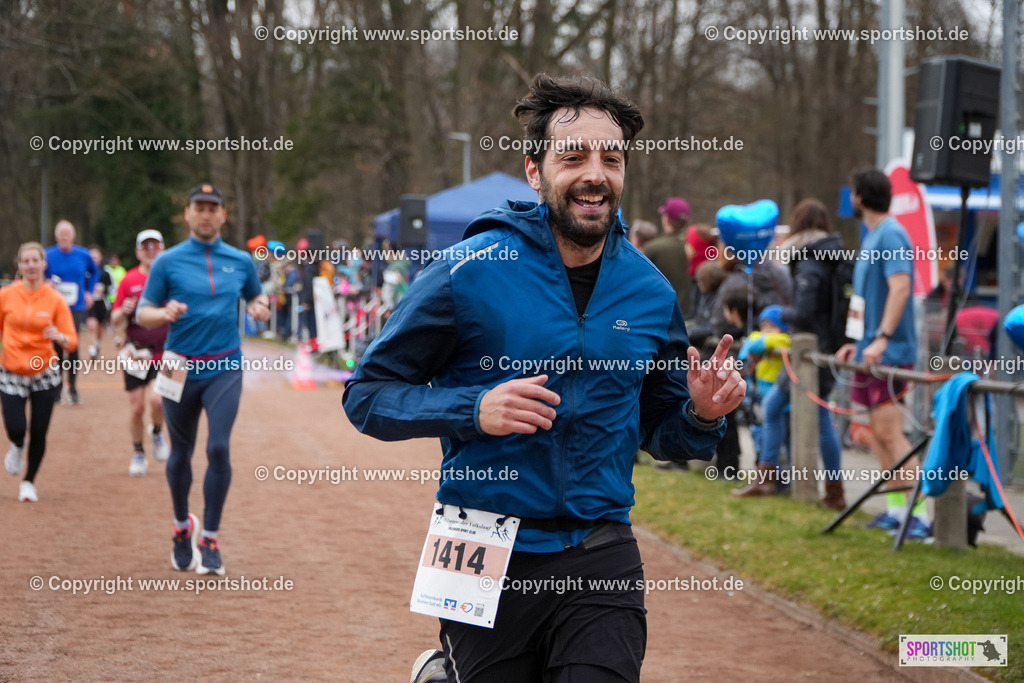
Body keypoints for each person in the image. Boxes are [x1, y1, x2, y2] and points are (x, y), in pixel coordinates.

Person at [344, 73, 745, 683]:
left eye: (612, 159)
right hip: (480, 541)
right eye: (573, 156)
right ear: (535, 171)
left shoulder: (649, 290)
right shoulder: (467, 272)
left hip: (601, 549)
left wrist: (700, 416)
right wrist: (473, 409)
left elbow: (664, 434)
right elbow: (366, 395)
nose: (595, 173)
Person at [138, 183, 271, 575]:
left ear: (223, 215)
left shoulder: (240, 260)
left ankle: (210, 536)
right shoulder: (168, 262)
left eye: (213, 208)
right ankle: (182, 527)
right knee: (180, 452)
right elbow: (144, 312)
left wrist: (260, 307)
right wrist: (163, 314)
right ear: (188, 213)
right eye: (199, 207)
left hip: (225, 366)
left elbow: (255, 296)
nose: (206, 214)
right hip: (179, 365)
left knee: (218, 448)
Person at [735, 199, 848, 507]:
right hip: (824, 348)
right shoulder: (832, 254)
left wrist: (779, 313)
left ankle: (771, 481)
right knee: (803, 413)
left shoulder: (810, 260)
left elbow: (806, 311)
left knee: (793, 412)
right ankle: (828, 490)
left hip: (810, 352)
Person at [835, 168, 927, 538]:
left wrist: (883, 337)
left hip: (890, 353)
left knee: (891, 433)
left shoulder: (892, 233)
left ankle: (921, 517)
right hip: (870, 352)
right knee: (877, 432)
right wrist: (855, 342)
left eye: (852, 191)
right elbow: (864, 302)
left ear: (860, 196)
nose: (850, 197)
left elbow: (901, 287)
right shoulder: (873, 236)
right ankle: (896, 509)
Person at [2, 242, 78, 502]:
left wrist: (60, 337)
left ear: (44, 264)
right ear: (20, 265)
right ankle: (17, 445)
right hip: (12, 369)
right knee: (15, 427)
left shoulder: (55, 299)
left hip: (44, 370)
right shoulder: (7, 295)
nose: (32, 265)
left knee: (39, 430)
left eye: (36, 260)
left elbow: (72, 340)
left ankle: (28, 482)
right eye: (26, 261)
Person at [111, 230, 171, 476]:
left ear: (162, 249)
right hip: (136, 352)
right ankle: (138, 452)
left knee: (159, 400)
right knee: (137, 408)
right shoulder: (128, 280)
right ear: (137, 252)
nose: (150, 251)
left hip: (169, 352)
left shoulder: (172, 277)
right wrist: (122, 311)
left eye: (154, 246)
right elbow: (114, 318)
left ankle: (156, 433)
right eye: (144, 247)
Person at [45, 220, 99, 405]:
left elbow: (95, 272)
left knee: (72, 345)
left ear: (73, 236)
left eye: (68, 234)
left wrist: (89, 291)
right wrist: (46, 283)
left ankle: (73, 388)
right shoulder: (48, 255)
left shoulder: (83, 254)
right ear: (57, 236)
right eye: (62, 234)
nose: (65, 237)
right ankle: (57, 388)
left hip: (76, 307)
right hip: (54, 308)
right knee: (56, 347)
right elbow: (39, 275)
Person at [644, 197, 692, 315]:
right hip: (694, 316)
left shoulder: (653, 248)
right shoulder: (697, 246)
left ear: (667, 219)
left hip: (663, 315)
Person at [85, 245, 113, 360]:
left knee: (99, 327)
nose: (94, 259)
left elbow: (112, 287)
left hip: (101, 303)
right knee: (92, 325)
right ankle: (92, 347)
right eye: (91, 257)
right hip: (90, 303)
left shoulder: (106, 272)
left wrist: (104, 290)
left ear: (100, 257)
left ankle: (97, 345)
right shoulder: (85, 272)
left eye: (96, 257)